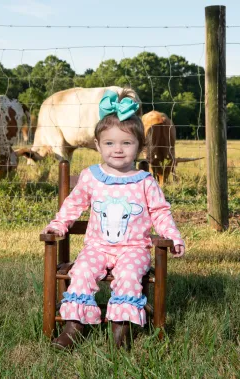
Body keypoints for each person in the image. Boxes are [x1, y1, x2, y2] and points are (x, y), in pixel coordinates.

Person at [43, 88, 185, 350]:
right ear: (97, 145)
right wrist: (59, 224)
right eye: (109, 143)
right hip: (96, 247)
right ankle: (74, 327)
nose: (117, 150)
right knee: (82, 272)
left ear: (140, 147)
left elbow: (160, 211)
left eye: (126, 143)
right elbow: (72, 204)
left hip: (134, 249)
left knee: (130, 276)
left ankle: (121, 330)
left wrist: (172, 235)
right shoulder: (90, 176)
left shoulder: (145, 181)